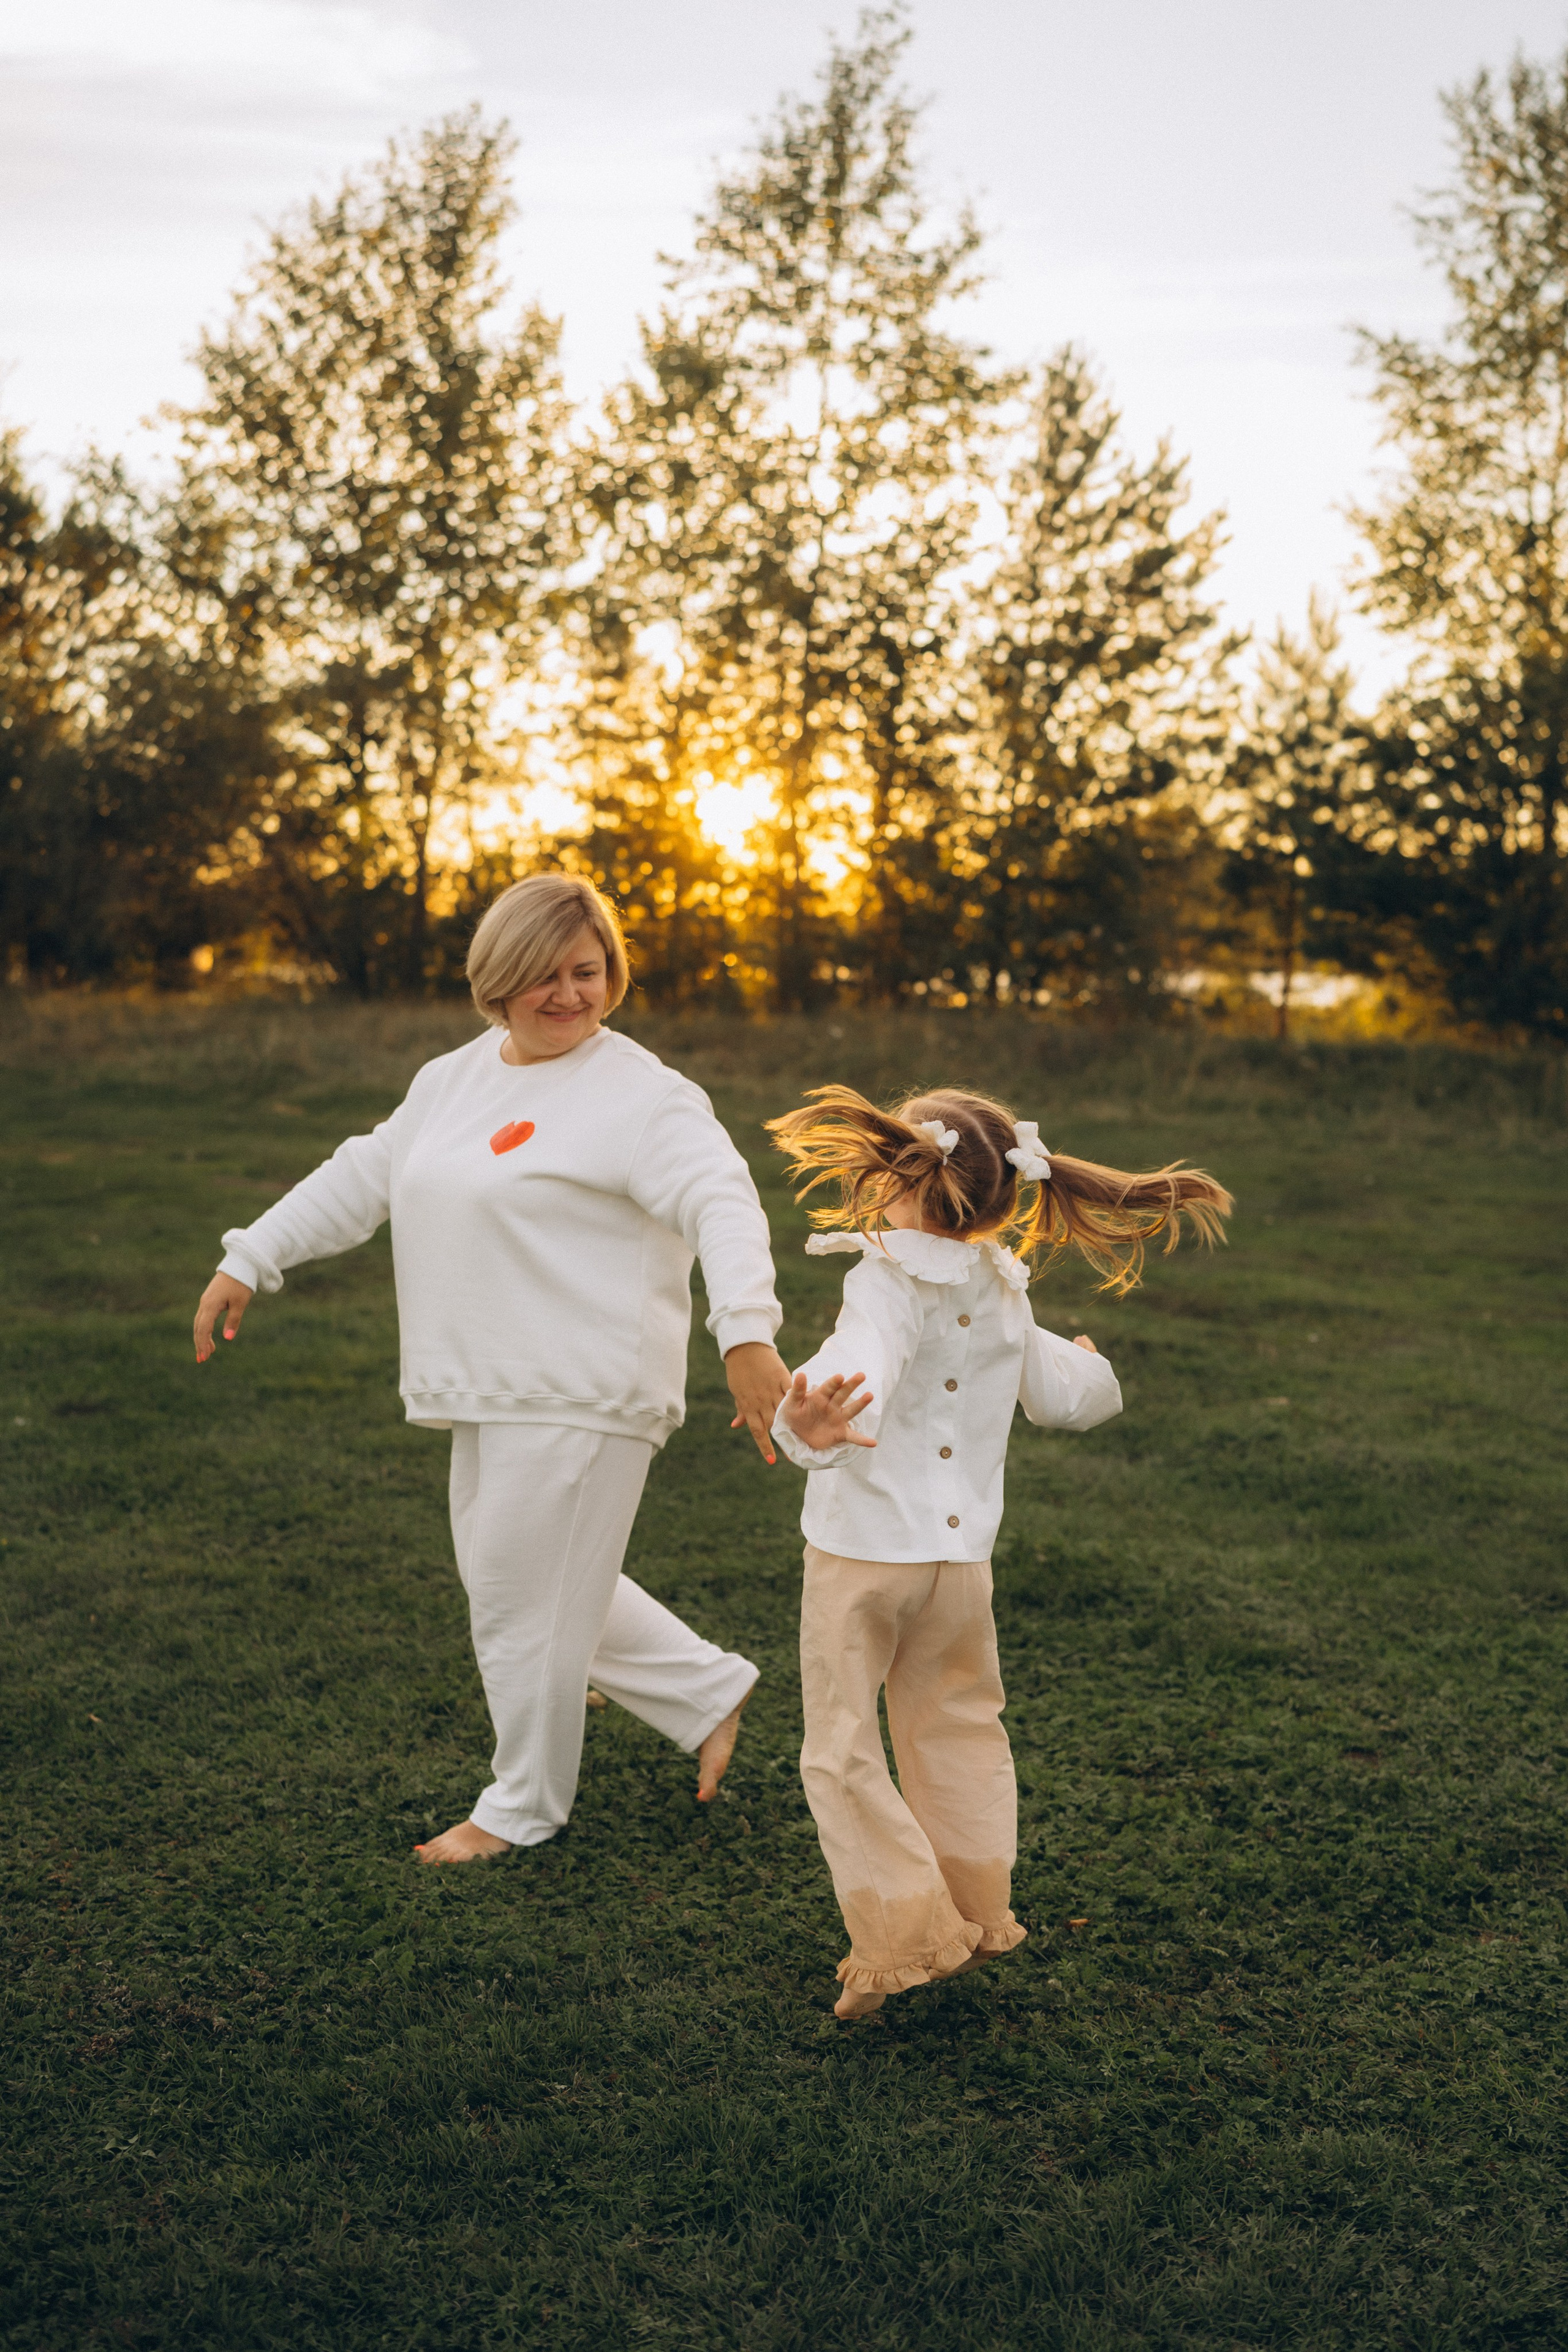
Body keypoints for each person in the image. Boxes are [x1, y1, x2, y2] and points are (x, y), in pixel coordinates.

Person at [193, 874, 790, 1864]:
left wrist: (746, 1333)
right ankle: (703, 1688)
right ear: (496, 980)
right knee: (524, 1582)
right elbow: (365, 1174)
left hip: (590, 1386)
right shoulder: (454, 1079)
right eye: (543, 976)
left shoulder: (643, 1095)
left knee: (519, 1601)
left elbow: (722, 1201)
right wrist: (249, 1255)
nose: (569, 995)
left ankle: (521, 1809)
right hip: (491, 1381)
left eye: (587, 972)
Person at [766, 1085, 1232, 2019]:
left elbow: (863, 1360)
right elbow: (1067, 1397)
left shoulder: (885, 1279)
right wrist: (1093, 1365)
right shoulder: (1003, 1287)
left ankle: (906, 1937)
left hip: (866, 1558)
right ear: (1007, 1198)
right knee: (958, 1728)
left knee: (843, 1748)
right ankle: (978, 1914)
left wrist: (806, 1414)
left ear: (902, 1175)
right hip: (959, 1570)